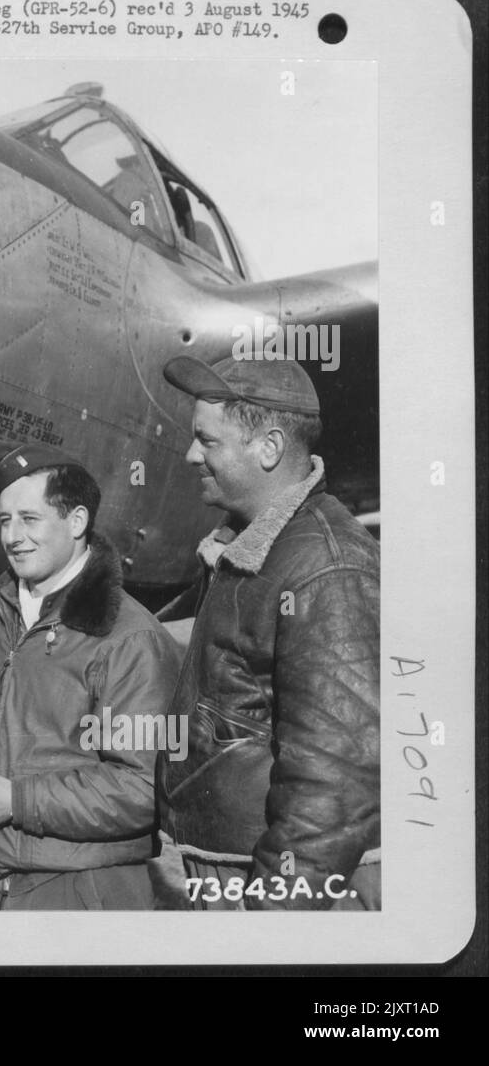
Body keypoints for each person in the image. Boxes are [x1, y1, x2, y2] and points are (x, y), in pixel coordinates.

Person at [154, 354, 380, 910]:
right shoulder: (254, 548)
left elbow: (337, 781)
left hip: (273, 894)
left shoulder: (326, 567)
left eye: (206, 441)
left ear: (270, 448)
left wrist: (271, 923)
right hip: (230, 876)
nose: (189, 456)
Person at [0, 443, 181, 910]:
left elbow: (141, 789)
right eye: (4, 520)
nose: (13, 536)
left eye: (29, 519)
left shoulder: (129, 638)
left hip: (84, 893)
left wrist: (17, 800)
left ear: (76, 522)